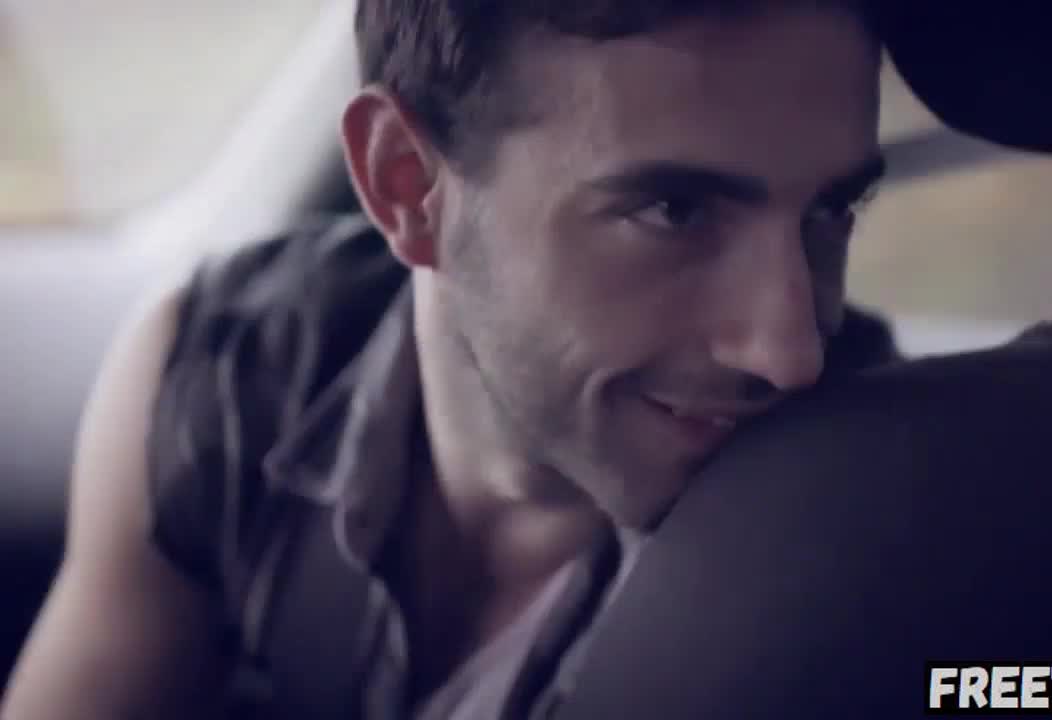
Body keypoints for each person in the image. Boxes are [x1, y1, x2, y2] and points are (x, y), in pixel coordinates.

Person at [1, 1, 893, 717]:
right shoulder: (237, 371)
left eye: (831, 212)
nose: (790, 352)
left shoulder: (882, 514)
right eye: (673, 212)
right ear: (405, 183)